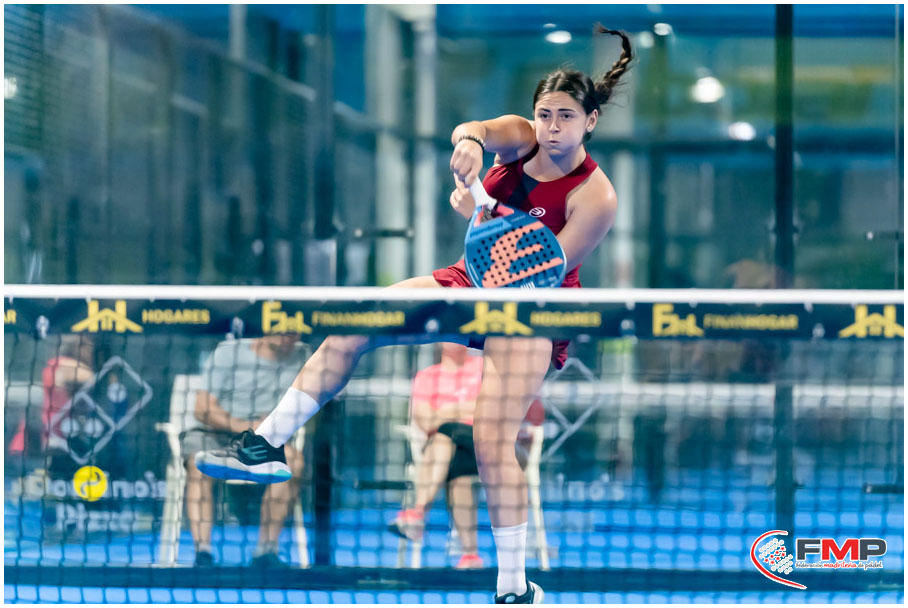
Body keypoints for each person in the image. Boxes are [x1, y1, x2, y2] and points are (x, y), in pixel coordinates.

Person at [197, 24, 630, 603]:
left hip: (534, 306)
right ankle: (264, 444)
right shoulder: (522, 138)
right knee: (356, 324)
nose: (552, 127)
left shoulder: (596, 197)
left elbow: (539, 267)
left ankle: (513, 588)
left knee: (490, 440)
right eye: (545, 114)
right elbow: (476, 130)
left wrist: (481, 212)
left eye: (566, 117)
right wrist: (470, 143)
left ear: (590, 121)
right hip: (470, 279)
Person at [388, 342, 544, 570]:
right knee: (454, 457)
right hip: (454, 455)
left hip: (498, 448)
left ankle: (418, 513)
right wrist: (471, 408)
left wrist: (446, 413)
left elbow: (497, 412)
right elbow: (425, 422)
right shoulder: (426, 377)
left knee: (445, 433)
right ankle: (470, 557)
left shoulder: (488, 366)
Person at [182, 334, 306, 567]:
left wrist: (276, 426)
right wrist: (247, 426)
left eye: (293, 330)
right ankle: (203, 553)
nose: (287, 336)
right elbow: (202, 409)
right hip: (212, 432)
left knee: (294, 462)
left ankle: (266, 551)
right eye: (282, 328)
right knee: (197, 465)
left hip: (264, 438)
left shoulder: (305, 358)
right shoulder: (228, 352)